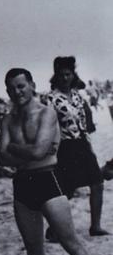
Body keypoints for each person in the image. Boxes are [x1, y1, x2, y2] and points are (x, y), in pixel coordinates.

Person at [0, 68, 102, 255]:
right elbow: (2, 157)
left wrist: (15, 148)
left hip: (48, 180)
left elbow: (37, 150)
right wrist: (26, 151)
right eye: (12, 88)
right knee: (33, 246)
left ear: (32, 85)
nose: (17, 91)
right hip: (22, 185)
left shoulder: (46, 113)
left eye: (21, 86)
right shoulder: (7, 120)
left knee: (71, 242)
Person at [46, 56, 108, 236]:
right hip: (63, 147)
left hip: (81, 144)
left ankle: (95, 226)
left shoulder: (77, 97)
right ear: (55, 76)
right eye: (61, 75)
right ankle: (53, 229)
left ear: (73, 75)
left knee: (97, 182)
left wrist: (89, 146)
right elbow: (50, 126)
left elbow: (84, 124)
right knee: (67, 190)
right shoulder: (50, 99)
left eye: (68, 74)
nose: (65, 78)